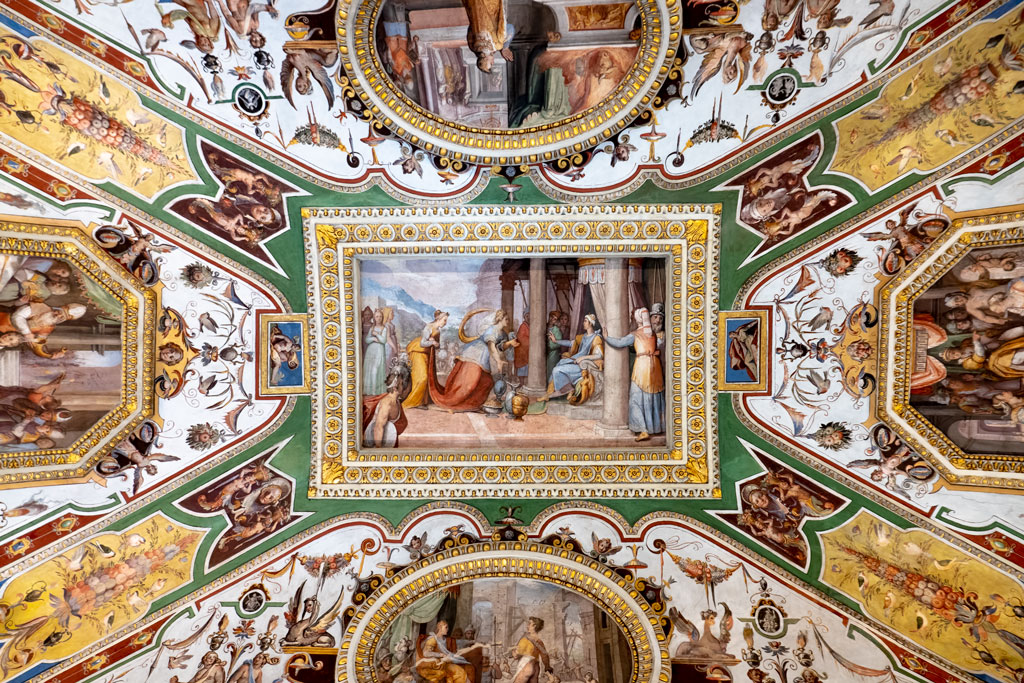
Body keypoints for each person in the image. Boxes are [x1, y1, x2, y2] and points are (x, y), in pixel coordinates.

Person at [428, 309, 518, 412]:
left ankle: (471, 404)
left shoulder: (503, 333)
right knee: (470, 382)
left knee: (487, 382)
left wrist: (510, 343)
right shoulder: (492, 330)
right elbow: (491, 346)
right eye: (506, 319)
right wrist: (498, 361)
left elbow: (500, 347)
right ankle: (452, 401)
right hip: (476, 353)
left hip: (484, 356)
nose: (508, 321)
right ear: (500, 319)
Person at [604, 307, 664, 441]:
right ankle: (655, 428)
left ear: (637, 320)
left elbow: (619, 343)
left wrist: (607, 337)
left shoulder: (635, 334)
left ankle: (643, 430)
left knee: (636, 399)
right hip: (655, 367)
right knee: (652, 397)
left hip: (642, 367)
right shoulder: (652, 334)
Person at [544, 314, 603, 400]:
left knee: (557, 370)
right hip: (576, 364)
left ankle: (564, 390)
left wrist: (582, 358)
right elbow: (570, 343)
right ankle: (566, 389)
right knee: (559, 365)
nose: (583, 323)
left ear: (590, 323)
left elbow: (599, 355)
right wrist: (556, 341)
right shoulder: (583, 337)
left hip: (584, 366)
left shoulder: (596, 338)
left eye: (585, 321)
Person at [405, 310, 448, 409]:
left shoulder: (438, 331)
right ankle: (413, 402)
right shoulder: (428, 327)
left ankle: (422, 401)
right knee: (422, 377)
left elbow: (436, 345)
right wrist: (432, 342)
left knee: (427, 377)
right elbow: (422, 343)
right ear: (438, 319)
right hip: (418, 351)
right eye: (444, 320)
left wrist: (436, 344)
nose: (445, 323)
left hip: (426, 353)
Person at [416, 620, 483, 683]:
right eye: (446, 627)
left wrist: (473, 641)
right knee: (459, 671)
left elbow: (460, 642)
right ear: (440, 628)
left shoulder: (447, 640)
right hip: (438, 663)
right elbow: (426, 653)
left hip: (448, 660)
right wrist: (440, 655)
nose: (447, 629)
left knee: (469, 667)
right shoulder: (433, 639)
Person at [460, 0, 514, 74]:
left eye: (491, 63)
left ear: (485, 60)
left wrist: (505, 47)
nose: (493, 62)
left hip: (492, 5)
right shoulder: (472, 46)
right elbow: (471, 27)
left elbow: (510, 28)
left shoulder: (497, 45)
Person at [510, 617, 551, 683]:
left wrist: (513, 653)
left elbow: (516, 655)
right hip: (536, 668)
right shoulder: (539, 641)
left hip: (527, 665)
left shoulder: (525, 640)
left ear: (534, 626)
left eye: (529, 624)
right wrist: (547, 666)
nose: (527, 626)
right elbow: (544, 655)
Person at [363, 308, 389, 395]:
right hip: (371, 351)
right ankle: (371, 392)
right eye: (377, 316)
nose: (379, 318)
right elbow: (367, 340)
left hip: (379, 351)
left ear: (382, 317)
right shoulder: (372, 328)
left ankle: (376, 391)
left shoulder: (384, 329)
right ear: (374, 317)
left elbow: (383, 340)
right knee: (370, 370)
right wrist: (373, 339)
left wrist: (377, 334)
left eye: (380, 316)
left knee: (376, 370)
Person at [545, 311, 563, 379]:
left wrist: (549, 345)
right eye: (551, 317)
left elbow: (558, 343)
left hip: (553, 354)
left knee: (550, 371)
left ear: (556, 321)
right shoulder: (544, 326)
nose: (552, 319)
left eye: (555, 319)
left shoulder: (557, 330)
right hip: (544, 353)